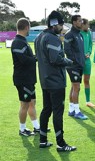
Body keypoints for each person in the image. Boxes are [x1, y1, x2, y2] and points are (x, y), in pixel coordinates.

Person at [34, 10, 76, 152]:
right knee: (57, 111)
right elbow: (55, 58)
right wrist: (68, 61)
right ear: (55, 24)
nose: (62, 27)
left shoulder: (39, 37)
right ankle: (61, 143)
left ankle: (43, 140)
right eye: (61, 24)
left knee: (46, 109)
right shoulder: (52, 38)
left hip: (45, 80)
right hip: (56, 81)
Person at [11, 18, 40, 136]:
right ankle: (22, 129)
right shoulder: (18, 42)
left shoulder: (23, 41)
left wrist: (34, 57)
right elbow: (23, 60)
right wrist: (36, 58)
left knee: (32, 102)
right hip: (23, 79)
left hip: (28, 79)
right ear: (27, 27)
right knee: (25, 104)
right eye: (29, 28)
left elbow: (27, 57)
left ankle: (36, 127)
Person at [64, 15, 88, 120]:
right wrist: (75, 60)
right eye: (79, 21)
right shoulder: (69, 35)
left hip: (80, 65)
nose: (81, 22)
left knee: (73, 87)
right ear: (74, 22)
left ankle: (71, 110)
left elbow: (79, 51)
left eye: (81, 20)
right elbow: (67, 50)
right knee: (77, 88)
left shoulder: (80, 35)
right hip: (73, 66)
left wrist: (82, 57)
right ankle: (77, 111)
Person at [81, 18, 95, 108]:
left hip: (87, 60)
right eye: (87, 24)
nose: (88, 26)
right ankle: (75, 103)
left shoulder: (88, 33)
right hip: (79, 61)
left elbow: (90, 44)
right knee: (76, 83)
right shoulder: (78, 33)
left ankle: (88, 101)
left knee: (86, 80)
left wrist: (89, 53)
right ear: (83, 25)